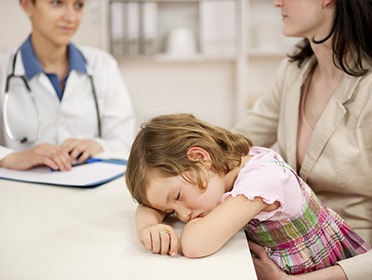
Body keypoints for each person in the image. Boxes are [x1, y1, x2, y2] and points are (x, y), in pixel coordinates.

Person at [125, 113, 370, 275]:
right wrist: (148, 226)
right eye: (171, 211)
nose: (184, 215)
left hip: (318, 272)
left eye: (178, 197)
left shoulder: (259, 182)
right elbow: (152, 204)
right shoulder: (228, 167)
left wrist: (184, 224)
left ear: (200, 158)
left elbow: (194, 244)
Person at [232, 0, 372, 279]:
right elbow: (233, 144)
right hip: (290, 252)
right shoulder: (294, 71)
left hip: (350, 260)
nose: (277, 3)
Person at [0, 0, 135, 171]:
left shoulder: (103, 66)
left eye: (78, 5)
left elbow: (124, 143)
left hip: (89, 192)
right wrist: (12, 157)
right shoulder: (3, 69)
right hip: (21, 193)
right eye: (57, 3)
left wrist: (97, 145)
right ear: (27, 5)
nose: (71, 17)